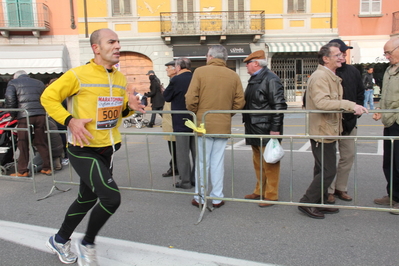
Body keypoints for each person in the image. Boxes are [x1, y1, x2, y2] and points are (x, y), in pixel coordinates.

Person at [41, 28, 145, 265]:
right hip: (83, 149)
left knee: (86, 199)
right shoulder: (78, 75)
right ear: (96, 48)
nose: (118, 45)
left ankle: (59, 239)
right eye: (112, 41)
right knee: (111, 198)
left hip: (107, 149)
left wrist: (130, 108)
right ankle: (87, 243)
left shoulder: (119, 78)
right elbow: (48, 97)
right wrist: (70, 120)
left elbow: (114, 114)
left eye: (119, 41)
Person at [298, 42, 368, 219]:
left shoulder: (330, 75)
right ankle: (307, 202)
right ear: (326, 58)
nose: (342, 57)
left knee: (322, 169)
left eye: (342, 55)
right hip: (323, 131)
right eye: (337, 55)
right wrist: (350, 105)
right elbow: (322, 103)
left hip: (327, 130)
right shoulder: (321, 77)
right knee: (328, 171)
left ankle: (319, 202)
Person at [186, 45, 245, 208]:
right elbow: (240, 101)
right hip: (223, 124)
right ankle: (217, 197)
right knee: (217, 162)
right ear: (224, 59)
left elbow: (191, 98)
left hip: (202, 124)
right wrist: (226, 114)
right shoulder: (233, 75)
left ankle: (200, 197)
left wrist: (196, 113)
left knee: (202, 163)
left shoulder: (200, 72)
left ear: (210, 56)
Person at [242, 50, 287, 207]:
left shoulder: (270, 79)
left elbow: (279, 105)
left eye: (247, 63)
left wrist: (275, 128)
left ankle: (271, 194)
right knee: (258, 162)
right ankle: (260, 190)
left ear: (256, 63)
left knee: (270, 162)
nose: (246, 66)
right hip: (255, 126)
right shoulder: (256, 79)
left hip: (265, 127)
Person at [326, 39, 365, 204]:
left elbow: (360, 93)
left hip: (349, 122)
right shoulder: (326, 73)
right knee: (328, 159)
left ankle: (340, 187)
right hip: (329, 122)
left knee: (347, 156)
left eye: (344, 53)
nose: (343, 56)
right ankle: (328, 190)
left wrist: (356, 114)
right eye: (340, 53)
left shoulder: (353, 71)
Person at [4, 70, 52, 177]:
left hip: (24, 115)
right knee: (41, 141)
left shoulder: (13, 83)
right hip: (40, 115)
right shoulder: (38, 82)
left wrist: (14, 114)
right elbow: (46, 97)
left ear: (15, 76)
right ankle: (47, 167)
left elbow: (10, 99)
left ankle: (23, 170)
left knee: (23, 142)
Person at [373, 36, 399, 214]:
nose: (387, 56)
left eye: (389, 52)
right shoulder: (390, 70)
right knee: (389, 161)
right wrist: (380, 109)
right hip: (389, 121)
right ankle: (393, 195)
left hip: (397, 120)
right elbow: (385, 94)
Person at [163, 58, 195, 189]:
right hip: (196, 120)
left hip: (180, 121)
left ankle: (185, 181)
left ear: (178, 67)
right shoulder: (195, 77)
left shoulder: (176, 80)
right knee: (196, 154)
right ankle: (195, 179)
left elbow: (166, 96)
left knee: (182, 154)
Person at [161, 60, 179, 177]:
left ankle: (175, 167)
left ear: (175, 68)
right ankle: (174, 166)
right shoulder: (172, 80)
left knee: (176, 147)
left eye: (169, 67)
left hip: (174, 119)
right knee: (173, 146)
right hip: (169, 118)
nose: (167, 69)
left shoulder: (177, 81)